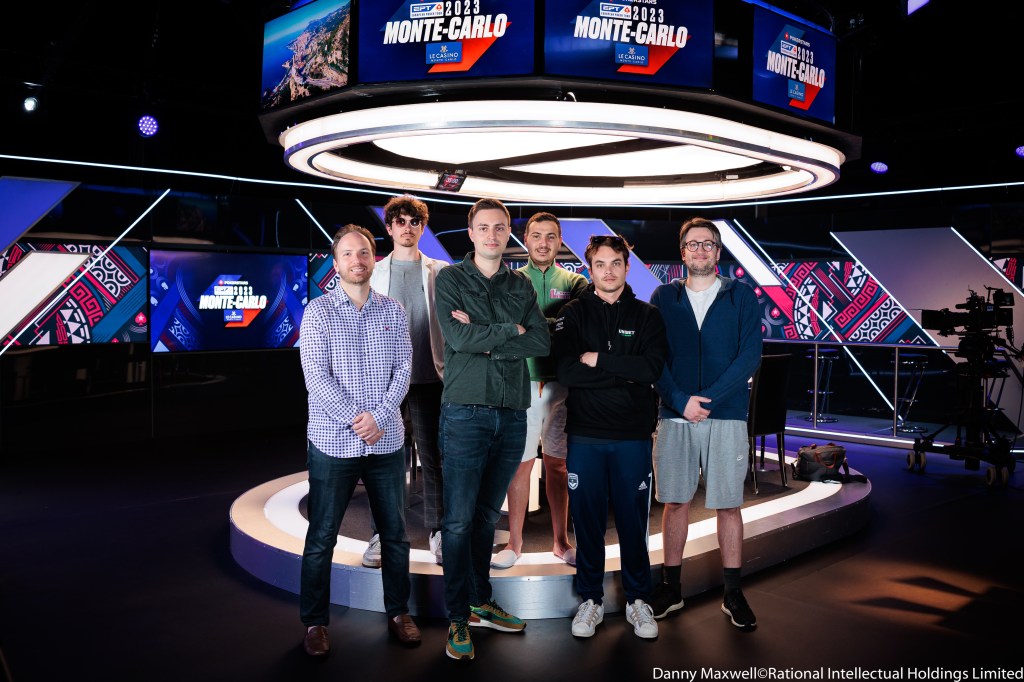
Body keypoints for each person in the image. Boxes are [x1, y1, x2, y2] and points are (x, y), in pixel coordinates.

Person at [434, 198, 550, 660]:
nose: (492, 235)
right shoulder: (450, 279)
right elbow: (458, 338)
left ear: (508, 233)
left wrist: (489, 336)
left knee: (486, 517)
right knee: (459, 520)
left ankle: (480, 601)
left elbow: (541, 339)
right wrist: (511, 331)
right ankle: (457, 618)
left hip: (512, 411)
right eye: (483, 227)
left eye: (500, 227)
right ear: (471, 232)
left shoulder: (520, 283)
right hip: (465, 412)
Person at [298, 224, 421, 656]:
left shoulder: (392, 311)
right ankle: (315, 622)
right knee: (322, 537)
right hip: (334, 443)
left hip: (386, 442)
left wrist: (380, 417)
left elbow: (403, 370)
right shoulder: (318, 313)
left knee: (395, 535)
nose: (357, 260)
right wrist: (357, 419)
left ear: (374, 259)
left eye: (364, 252)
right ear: (336, 264)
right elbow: (316, 378)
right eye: (348, 254)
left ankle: (398, 612)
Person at [647, 217, 763, 630]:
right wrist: (680, 401)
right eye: (693, 244)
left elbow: (749, 356)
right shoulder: (663, 297)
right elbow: (653, 357)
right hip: (674, 415)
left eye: (707, 244)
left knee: (729, 504)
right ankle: (671, 589)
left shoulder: (741, 296)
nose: (700, 250)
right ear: (683, 253)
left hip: (726, 414)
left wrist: (707, 401)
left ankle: (733, 593)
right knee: (675, 501)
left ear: (718, 252)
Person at [554, 234, 669, 640]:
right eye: (600, 264)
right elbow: (566, 371)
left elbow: (651, 369)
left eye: (615, 263)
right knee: (587, 523)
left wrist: (599, 360)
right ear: (590, 269)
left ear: (626, 266)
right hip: (585, 435)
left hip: (632, 436)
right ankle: (591, 600)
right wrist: (624, 371)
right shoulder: (572, 313)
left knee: (633, 522)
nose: (608, 271)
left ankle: (638, 599)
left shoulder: (647, 315)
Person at [491, 212, 588, 570]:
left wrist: (531, 325)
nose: (543, 243)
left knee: (558, 465)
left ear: (560, 241)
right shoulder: (510, 280)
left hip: (563, 384)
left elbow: (576, 327)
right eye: (536, 236)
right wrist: (553, 324)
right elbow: (506, 328)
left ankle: (561, 543)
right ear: (526, 240)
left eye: (550, 236)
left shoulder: (576, 282)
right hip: (524, 383)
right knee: (521, 464)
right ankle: (514, 543)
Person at [361, 195, 448, 569]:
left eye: (415, 222)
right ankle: (382, 533)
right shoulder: (374, 272)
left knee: (434, 460)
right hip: (384, 383)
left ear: (422, 227)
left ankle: (439, 531)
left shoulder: (441, 271)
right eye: (400, 221)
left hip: (431, 378)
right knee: (384, 460)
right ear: (389, 227)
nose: (407, 228)